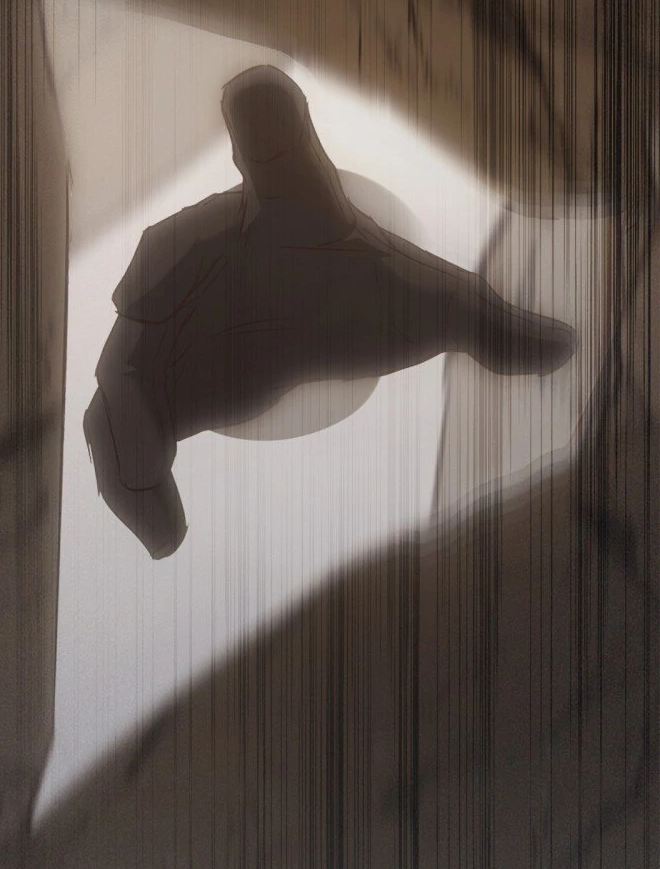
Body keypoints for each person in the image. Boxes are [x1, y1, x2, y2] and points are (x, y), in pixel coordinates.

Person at [84, 64, 576, 557]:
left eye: (277, 123)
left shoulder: (400, 277)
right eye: (254, 127)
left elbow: (494, 326)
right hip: (225, 358)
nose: (268, 143)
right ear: (238, 151)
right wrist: (140, 466)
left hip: (315, 324)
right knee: (114, 423)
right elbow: (120, 373)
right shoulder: (187, 242)